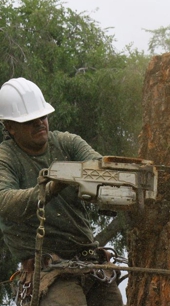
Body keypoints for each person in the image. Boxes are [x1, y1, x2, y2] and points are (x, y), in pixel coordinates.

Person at [0, 77, 123, 306]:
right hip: (49, 269)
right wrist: (51, 188)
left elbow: (99, 169)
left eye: (42, 116)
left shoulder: (68, 144)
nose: (40, 123)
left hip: (90, 262)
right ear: (10, 127)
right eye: (30, 120)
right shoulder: (5, 158)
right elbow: (5, 201)